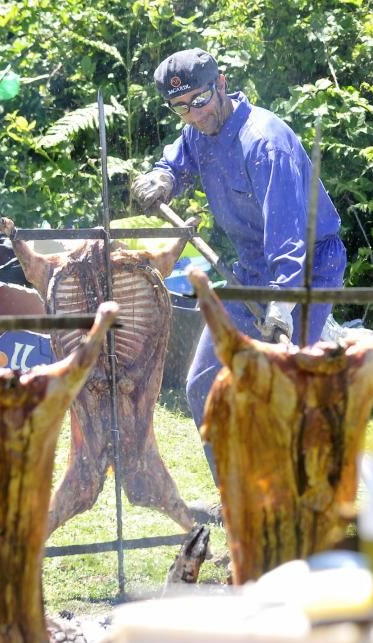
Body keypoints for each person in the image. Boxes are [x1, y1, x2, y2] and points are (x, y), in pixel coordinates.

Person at [131, 48, 347, 484]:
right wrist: (164, 177)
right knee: (204, 383)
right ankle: (237, 502)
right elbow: (178, 159)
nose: (193, 114)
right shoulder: (199, 133)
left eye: (200, 100)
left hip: (304, 268)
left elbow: (287, 237)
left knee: (282, 391)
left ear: (222, 84)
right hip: (249, 269)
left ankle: (297, 504)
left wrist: (281, 306)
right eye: (180, 107)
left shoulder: (266, 141)